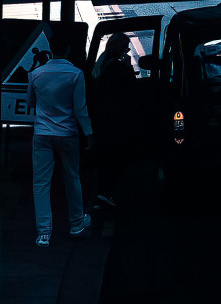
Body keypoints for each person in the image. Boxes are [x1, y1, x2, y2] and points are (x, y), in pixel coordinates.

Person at [27, 29, 92, 246]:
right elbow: (80, 109)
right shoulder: (75, 74)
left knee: (41, 183)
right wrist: (89, 134)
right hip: (68, 133)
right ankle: (76, 223)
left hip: (43, 133)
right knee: (72, 178)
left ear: (51, 50)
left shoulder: (36, 74)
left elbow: (31, 104)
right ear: (68, 50)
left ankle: (44, 232)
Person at [89, 33, 141, 208]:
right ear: (119, 48)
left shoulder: (102, 63)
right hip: (116, 119)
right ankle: (108, 193)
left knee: (105, 158)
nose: (126, 51)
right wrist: (128, 67)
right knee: (117, 158)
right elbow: (132, 89)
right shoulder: (118, 67)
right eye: (126, 48)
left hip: (102, 118)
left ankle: (102, 192)